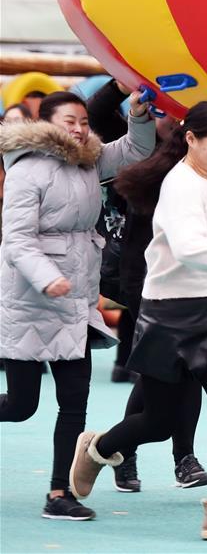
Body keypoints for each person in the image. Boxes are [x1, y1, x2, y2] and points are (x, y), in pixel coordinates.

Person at [68, 73, 207, 540]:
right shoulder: (181, 187)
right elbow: (188, 248)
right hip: (168, 314)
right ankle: (99, 447)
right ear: (191, 139)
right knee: (159, 422)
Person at [0, 89, 155, 520]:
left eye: (84, 120)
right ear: (46, 123)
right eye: (70, 120)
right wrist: (48, 278)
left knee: (74, 402)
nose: (80, 128)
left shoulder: (90, 159)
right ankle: (57, 490)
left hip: (76, 302)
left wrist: (138, 116)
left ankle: (58, 494)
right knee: (20, 405)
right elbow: (17, 240)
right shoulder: (26, 171)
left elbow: (135, 150)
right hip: (31, 299)